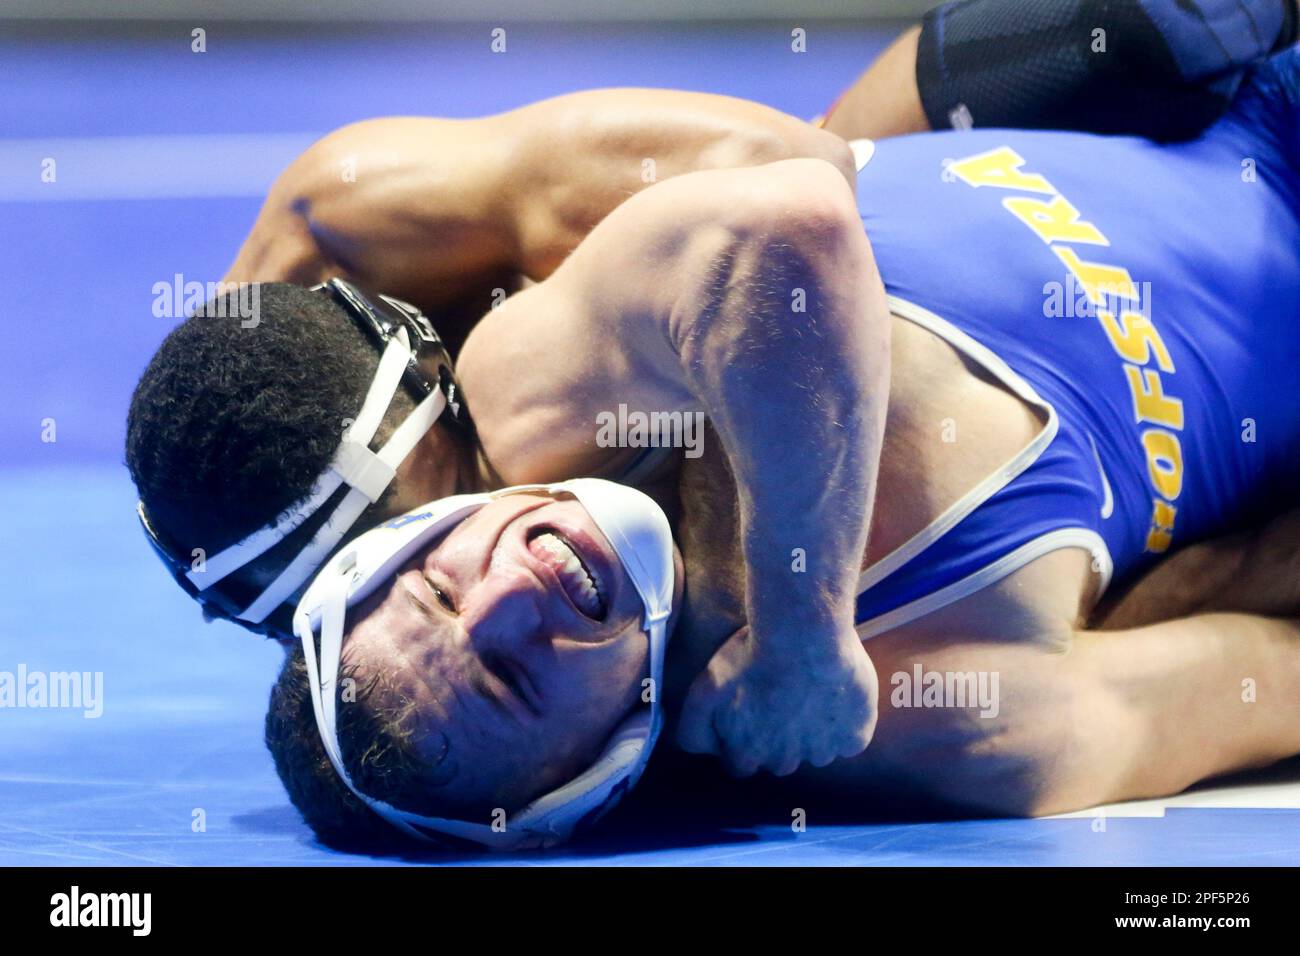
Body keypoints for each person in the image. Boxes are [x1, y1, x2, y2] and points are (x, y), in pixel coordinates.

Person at [264, 41, 1300, 849]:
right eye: (510, 677)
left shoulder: (536, 392)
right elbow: (1271, 675)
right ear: (592, 775)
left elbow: (790, 214)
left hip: (1240, 102)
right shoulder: (950, 726)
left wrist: (799, 631)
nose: (507, 594)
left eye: (436, 591)